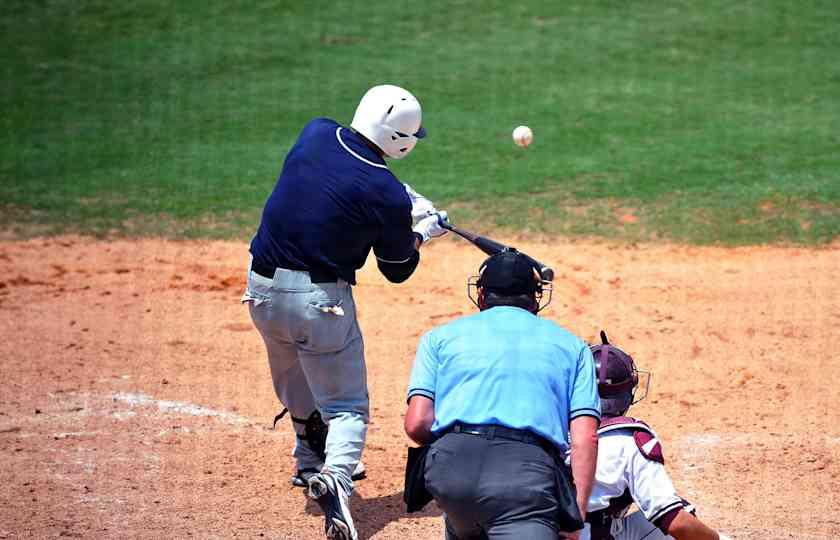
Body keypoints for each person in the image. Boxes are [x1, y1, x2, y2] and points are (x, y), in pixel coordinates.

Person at [242, 84, 448, 540]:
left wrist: (400, 200)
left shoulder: (316, 132)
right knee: (347, 406)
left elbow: (334, 178)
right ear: (402, 140)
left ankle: (307, 461)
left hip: (260, 292)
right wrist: (422, 231)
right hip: (319, 305)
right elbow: (397, 268)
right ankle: (336, 477)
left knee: (295, 377)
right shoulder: (385, 193)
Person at [404, 249, 601, 540]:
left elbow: (416, 424)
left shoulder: (438, 338)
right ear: (535, 298)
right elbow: (586, 438)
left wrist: (456, 451)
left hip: (449, 473)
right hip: (525, 482)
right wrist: (577, 516)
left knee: (467, 517)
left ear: (481, 294)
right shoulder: (574, 348)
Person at [581, 332, 729, 540]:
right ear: (627, 393)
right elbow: (676, 522)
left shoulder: (548, 426)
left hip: (540, 530)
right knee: (680, 518)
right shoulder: (628, 440)